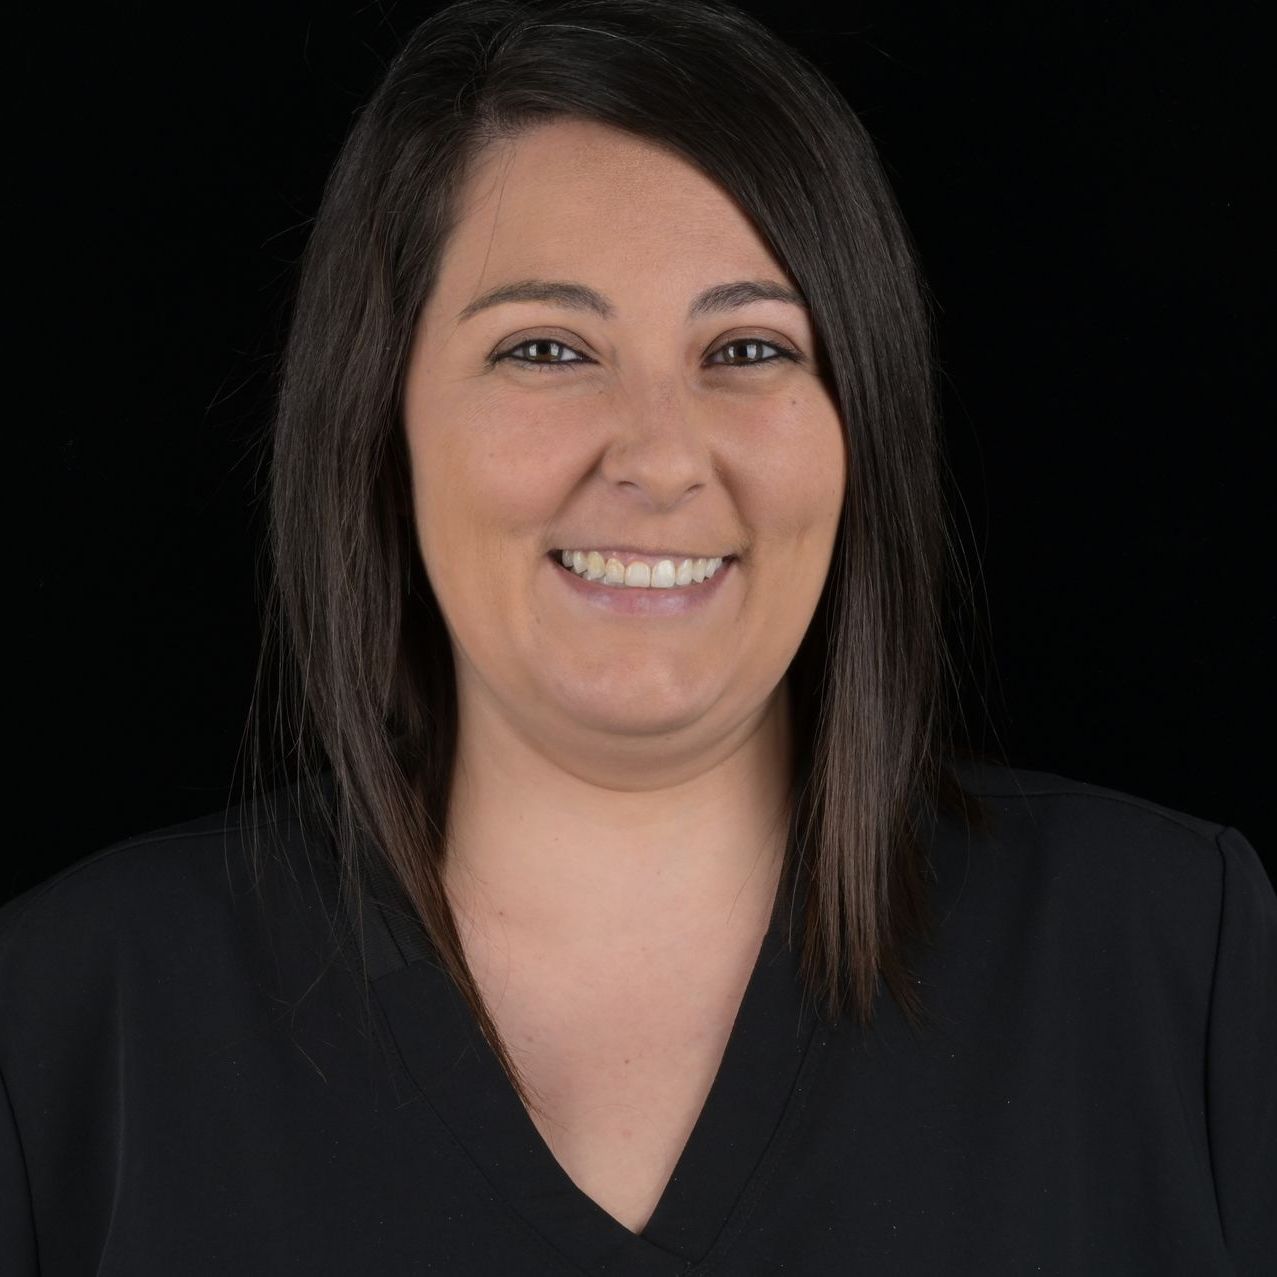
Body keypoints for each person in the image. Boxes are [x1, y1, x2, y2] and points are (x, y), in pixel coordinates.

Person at [3, 0, 1273, 1272]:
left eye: (748, 346)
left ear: (859, 429)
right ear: (378, 424)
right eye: (547, 347)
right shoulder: (76, 1016)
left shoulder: (1174, 958)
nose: (660, 456)